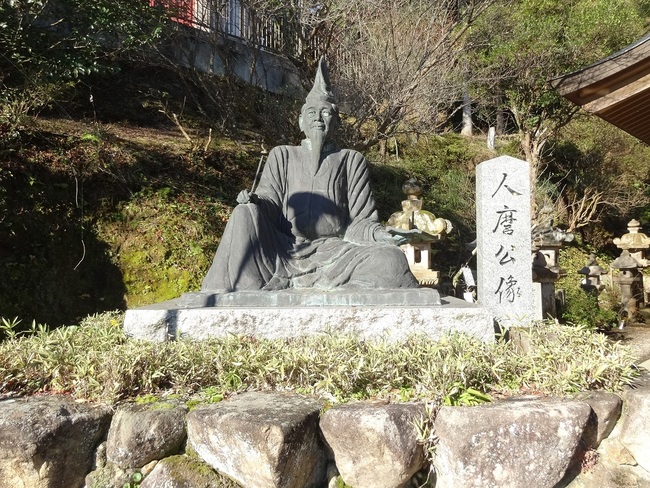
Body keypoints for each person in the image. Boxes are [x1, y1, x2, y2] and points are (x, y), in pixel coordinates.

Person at [201, 58, 419, 292]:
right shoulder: (282, 155)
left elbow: (361, 221)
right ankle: (241, 290)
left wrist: (383, 236)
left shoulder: (350, 160)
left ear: (336, 122)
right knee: (243, 213)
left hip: (336, 253)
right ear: (300, 121)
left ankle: (346, 293)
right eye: (312, 112)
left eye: (325, 113)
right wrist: (254, 201)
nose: (318, 118)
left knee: (391, 260)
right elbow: (270, 201)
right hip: (285, 249)